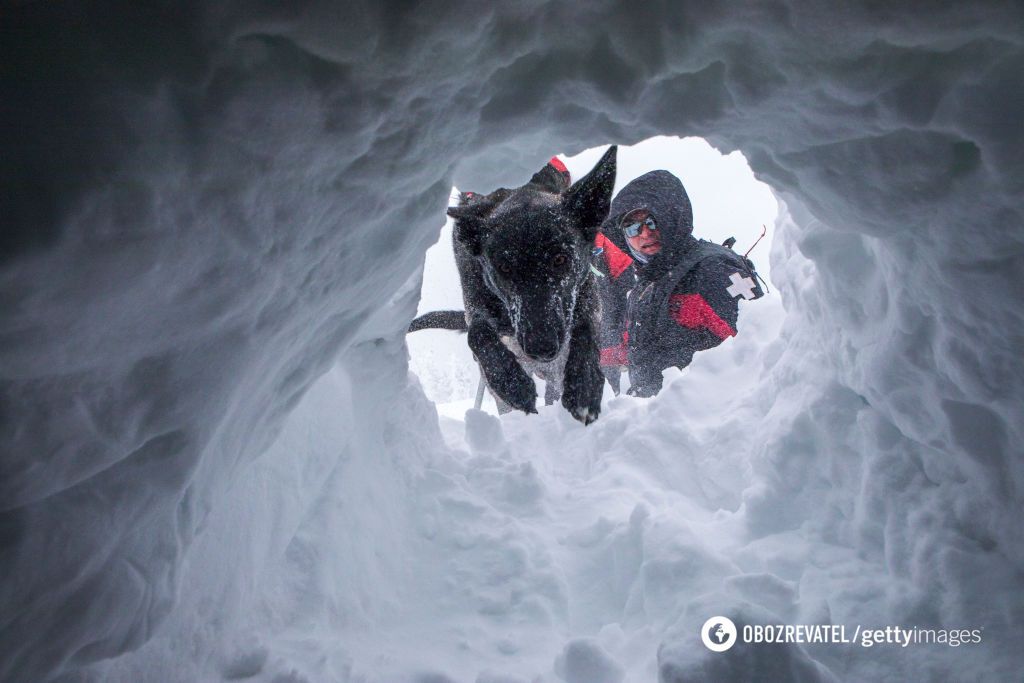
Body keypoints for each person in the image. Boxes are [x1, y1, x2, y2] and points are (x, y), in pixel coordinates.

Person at [592, 170, 764, 397]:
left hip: (705, 418)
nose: (644, 234)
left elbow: (756, 352)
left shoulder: (710, 270)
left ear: (670, 216)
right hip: (660, 420)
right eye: (632, 228)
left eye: (651, 222)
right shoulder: (646, 285)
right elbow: (636, 348)